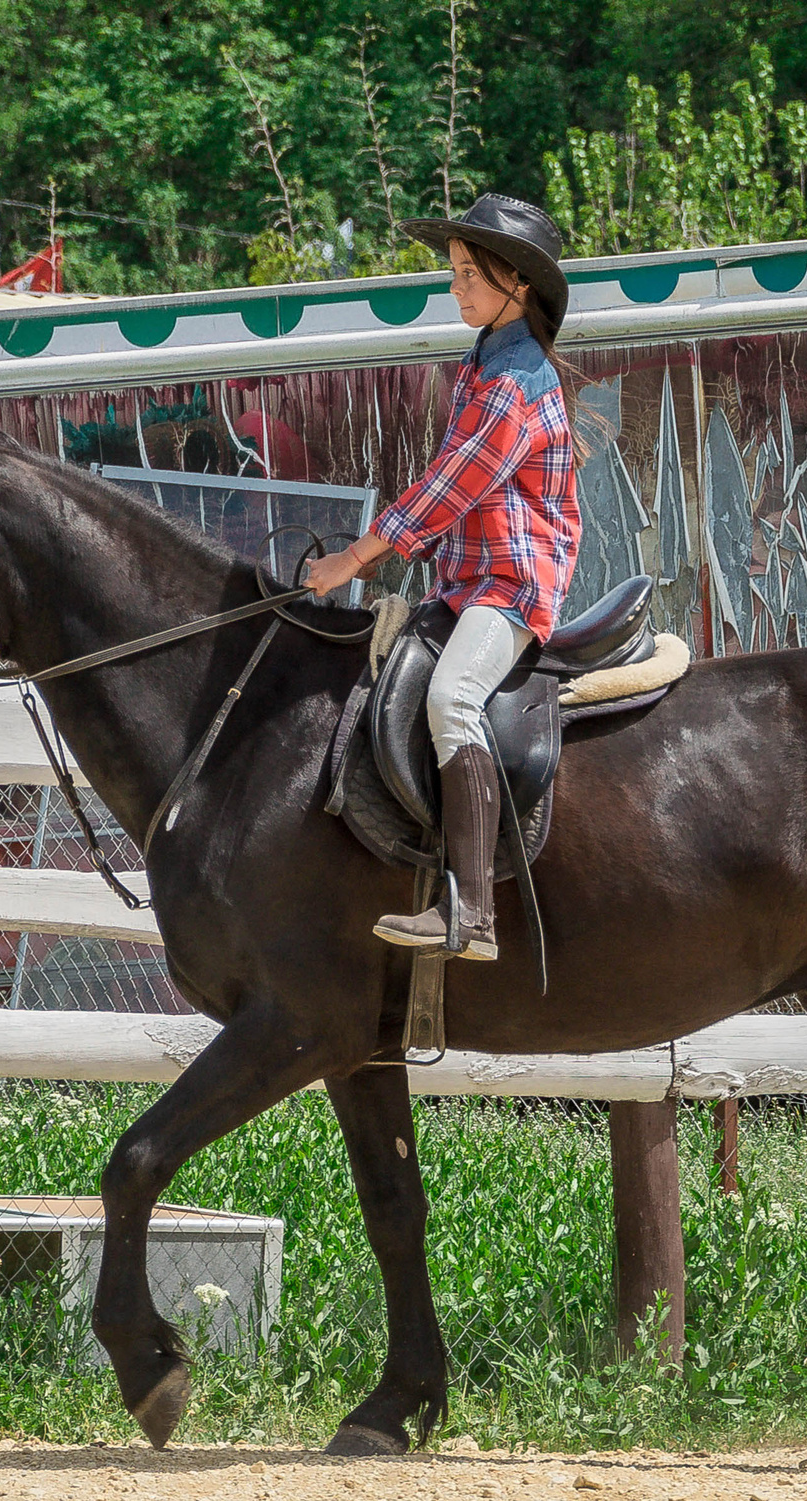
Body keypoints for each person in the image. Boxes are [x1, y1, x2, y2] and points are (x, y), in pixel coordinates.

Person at [303, 193, 581, 964]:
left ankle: (474, 916)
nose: (454, 288)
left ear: (517, 284)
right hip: (465, 584)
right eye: (453, 273)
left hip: (511, 588)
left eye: (467, 275)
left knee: (452, 697)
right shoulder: (482, 363)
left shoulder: (513, 383)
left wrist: (354, 559)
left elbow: (450, 487)